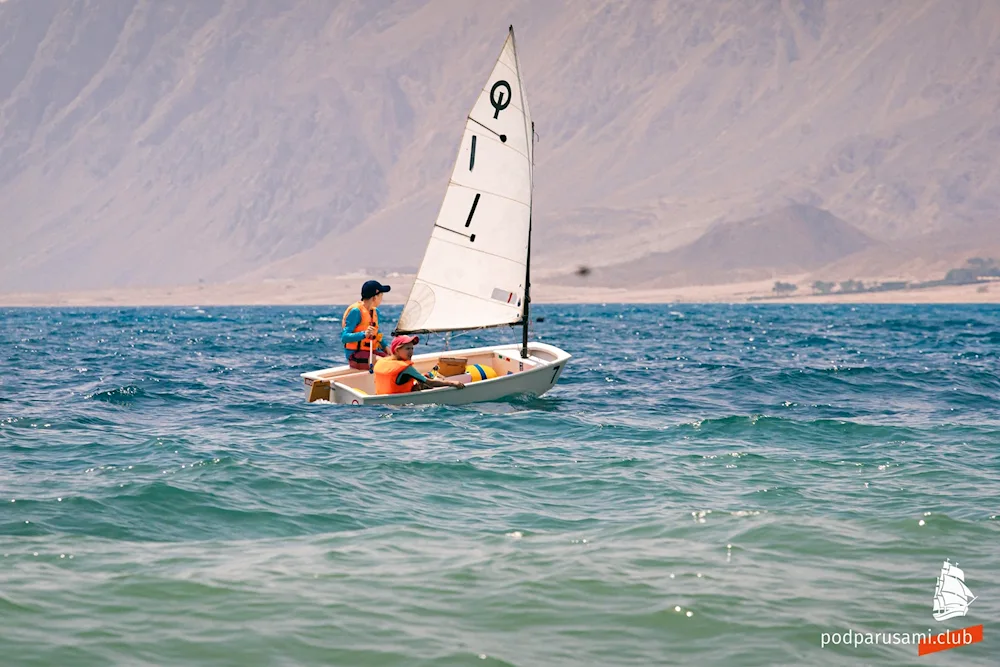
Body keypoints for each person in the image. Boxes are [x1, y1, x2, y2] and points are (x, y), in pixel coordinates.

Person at [374, 335, 466, 394]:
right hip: (401, 406)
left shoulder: (382, 361)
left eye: (412, 349)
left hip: (382, 402)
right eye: (407, 349)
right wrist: (452, 383)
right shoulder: (406, 368)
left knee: (422, 377)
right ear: (397, 350)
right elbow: (429, 382)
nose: (411, 352)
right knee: (427, 379)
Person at [341, 280, 391, 369]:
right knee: (386, 363)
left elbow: (377, 332)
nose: (381, 299)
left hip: (371, 353)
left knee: (394, 361)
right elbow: (344, 337)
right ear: (374, 298)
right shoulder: (356, 312)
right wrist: (364, 334)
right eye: (381, 296)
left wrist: (385, 346)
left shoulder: (375, 312)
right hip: (355, 355)